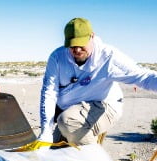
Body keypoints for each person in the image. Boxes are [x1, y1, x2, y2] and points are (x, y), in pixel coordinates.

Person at [38, 17, 157, 147]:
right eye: (72, 45)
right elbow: (49, 92)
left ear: (92, 36)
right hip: (72, 110)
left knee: (67, 123)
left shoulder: (109, 57)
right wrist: (46, 131)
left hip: (104, 105)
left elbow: (144, 77)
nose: (77, 50)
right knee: (53, 150)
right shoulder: (57, 57)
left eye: (81, 44)